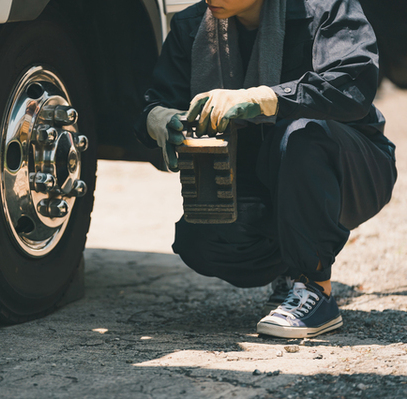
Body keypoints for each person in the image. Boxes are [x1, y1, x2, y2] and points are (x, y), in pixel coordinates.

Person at [135, 0, 397, 338]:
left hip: (352, 167)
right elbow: (155, 101)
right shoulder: (191, 26)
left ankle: (316, 290)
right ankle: (291, 265)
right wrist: (156, 119)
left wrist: (266, 98)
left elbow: (353, 88)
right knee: (200, 239)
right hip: (262, 179)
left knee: (300, 135)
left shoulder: (325, 7)